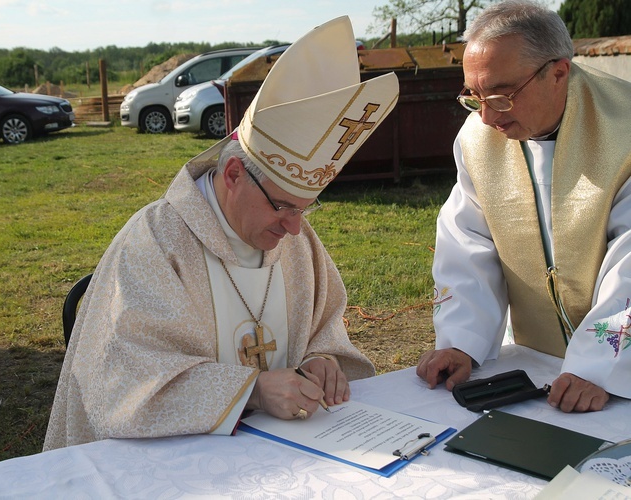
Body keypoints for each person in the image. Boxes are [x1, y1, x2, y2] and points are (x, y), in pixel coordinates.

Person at [44, 16, 399, 450]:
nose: (294, 228)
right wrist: (251, 390)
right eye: (284, 206)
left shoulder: (295, 239)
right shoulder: (156, 241)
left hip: (289, 448)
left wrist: (321, 359)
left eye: (306, 208)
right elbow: (126, 377)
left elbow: (325, 327)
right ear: (233, 173)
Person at [417, 0, 631, 413]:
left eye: (500, 95)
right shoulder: (478, 141)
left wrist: (599, 367)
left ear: (558, 73)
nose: (484, 117)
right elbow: (466, 242)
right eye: (473, 95)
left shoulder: (625, 129)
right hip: (536, 361)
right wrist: (463, 341)